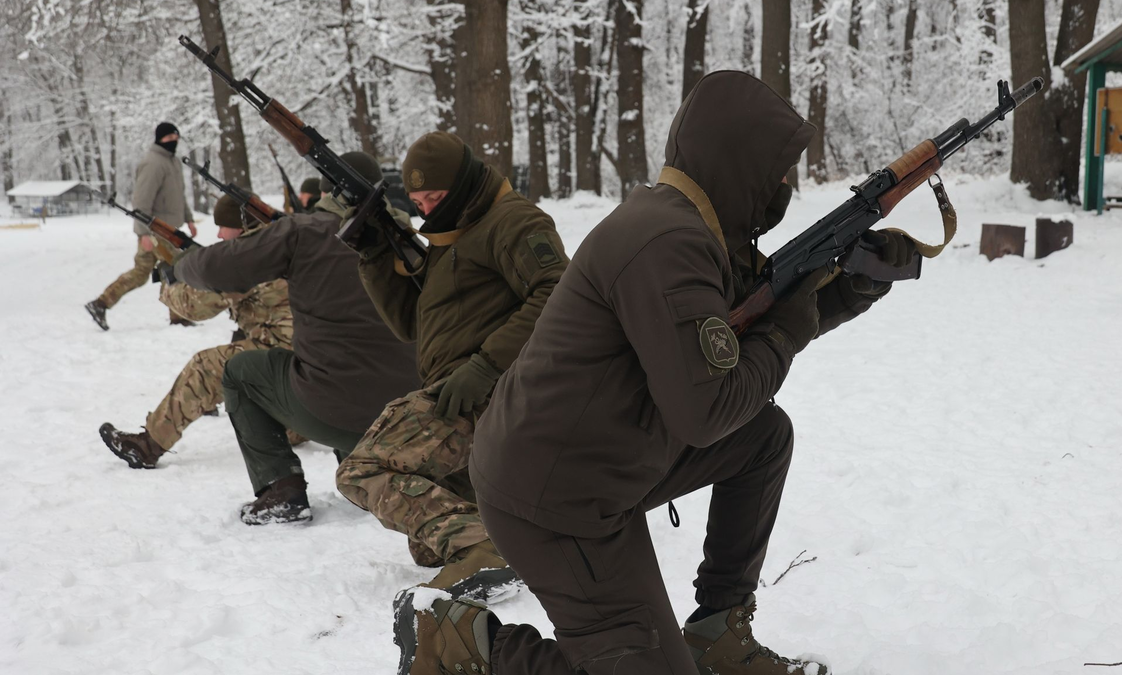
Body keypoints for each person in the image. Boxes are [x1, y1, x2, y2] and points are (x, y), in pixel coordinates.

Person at [395, 71, 920, 675]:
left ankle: (718, 633)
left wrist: (855, 287)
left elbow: (740, 339)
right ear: (736, 160)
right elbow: (706, 411)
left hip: (605, 455)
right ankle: (460, 642)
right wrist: (789, 328)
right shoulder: (668, 244)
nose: (783, 185)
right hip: (551, 494)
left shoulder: (695, 230)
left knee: (762, 437)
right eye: (776, 170)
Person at [334, 132, 567, 599]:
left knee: (359, 471)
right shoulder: (452, 230)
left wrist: (485, 366)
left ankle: (483, 548)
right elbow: (408, 322)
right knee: (429, 547)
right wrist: (375, 253)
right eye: (417, 200)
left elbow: (559, 293)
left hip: (491, 392)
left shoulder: (512, 220)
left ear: (462, 184)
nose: (425, 209)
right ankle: (499, 544)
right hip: (461, 388)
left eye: (435, 197)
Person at [170, 152, 422, 525]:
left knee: (241, 372)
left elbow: (214, 268)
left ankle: (281, 490)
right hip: (409, 419)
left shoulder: (306, 233)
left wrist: (179, 265)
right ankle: (360, 465)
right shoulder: (411, 241)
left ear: (326, 191)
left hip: (336, 412)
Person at [97, 193, 296, 469]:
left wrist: (170, 279)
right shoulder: (283, 243)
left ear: (240, 227)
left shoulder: (247, 260)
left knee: (206, 367)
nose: (218, 233)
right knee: (243, 343)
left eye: (223, 226)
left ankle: (148, 446)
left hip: (291, 359)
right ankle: (293, 427)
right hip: (315, 356)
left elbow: (193, 307)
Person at [86, 122, 196, 330]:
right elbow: (141, 202)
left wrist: (189, 219)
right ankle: (179, 317)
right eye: (169, 138)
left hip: (170, 229)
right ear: (159, 138)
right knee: (174, 270)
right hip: (156, 231)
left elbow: (178, 196)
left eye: (176, 137)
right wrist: (143, 232)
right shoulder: (153, 163)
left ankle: (100, 304)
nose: (173, 141)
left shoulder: (173, 162)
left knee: (142, 273)